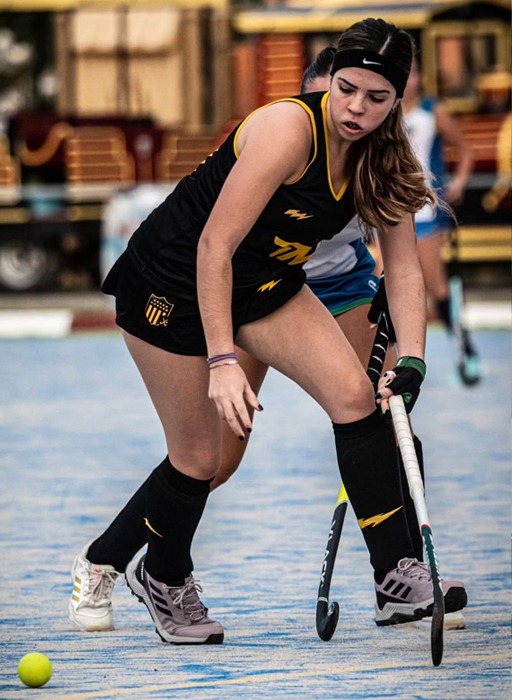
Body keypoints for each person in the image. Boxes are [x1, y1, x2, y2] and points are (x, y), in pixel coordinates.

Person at [66, 18, 467, 645]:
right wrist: (223, 359)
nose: (357, 108)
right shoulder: (286, 129)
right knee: (200, 460)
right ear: (330, 79)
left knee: (357, 399)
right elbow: (213, 247)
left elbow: (406, 269)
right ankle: (134, 568)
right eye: (347, 89)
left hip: (262, 281)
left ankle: (394, 571)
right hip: (171, 280)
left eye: (376, 97)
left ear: (399, 99)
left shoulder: (386, 156)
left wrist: (412, 358)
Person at [400, 58, 479, 385]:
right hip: (390, 214)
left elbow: (466, 150)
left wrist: (458, 183)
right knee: (379, 286)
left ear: (420, 77)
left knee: (436, 287)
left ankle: (466, 351)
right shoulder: (383, 113)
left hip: (427, 212)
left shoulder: (433, 112)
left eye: (413, 72)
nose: (408, 80)